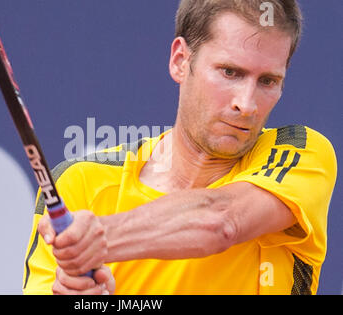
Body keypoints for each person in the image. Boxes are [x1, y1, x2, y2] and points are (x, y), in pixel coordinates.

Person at [22, 0, 337, 295]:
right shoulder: (80, 182)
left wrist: (96, 239)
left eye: (267, 81)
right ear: (180, 61)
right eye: (230, 72)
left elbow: (222, 221)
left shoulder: (298, 153)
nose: (247, 104)